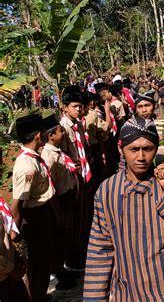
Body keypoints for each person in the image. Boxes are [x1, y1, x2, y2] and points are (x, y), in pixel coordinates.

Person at [83, 116, 164, 301]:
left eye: (147, 149)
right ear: (121, 149)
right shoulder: (107, 191)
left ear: (156, 149)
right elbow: (100, 250)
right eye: (134, 149)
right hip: (128, 292)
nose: (140, 157)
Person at [10, 114, 54, 302]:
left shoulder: (35, 159)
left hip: (42, 214)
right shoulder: (27, 166)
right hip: (34, 219)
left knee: (43, 264)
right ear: (38, 135)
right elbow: (17, 203)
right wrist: (14, 234)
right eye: (44, 132)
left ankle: (40, 296)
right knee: (36, 266)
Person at [40, 114, 78, 287]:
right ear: (51, 136)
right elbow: (51, 188)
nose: (62, 132)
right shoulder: (49, 156)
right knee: (59, 237)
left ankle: (63, 268)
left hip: (67, 197)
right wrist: (59, 212)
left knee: (66, 236)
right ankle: (56, 273)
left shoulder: (57, 151)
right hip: (60, 201)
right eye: (59, 130)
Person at [59, 87, 91, 272]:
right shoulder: (62, 128)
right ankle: (71, 257)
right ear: (65, 108)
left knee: (82, 214)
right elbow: (61, 154)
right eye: (75, 106)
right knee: (74, 217)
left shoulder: (78, 124)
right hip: (71, 177)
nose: (79, 109)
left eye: (80, 106)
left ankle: (79, 248)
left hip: (83, 173)